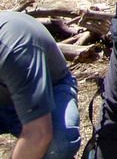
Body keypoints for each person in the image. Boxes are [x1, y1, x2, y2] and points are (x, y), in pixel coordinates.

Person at [0, 11, 80, 159]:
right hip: (5, 96)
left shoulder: (16, 51)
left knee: (58, 143)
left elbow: (39, 133)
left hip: (50, 90)